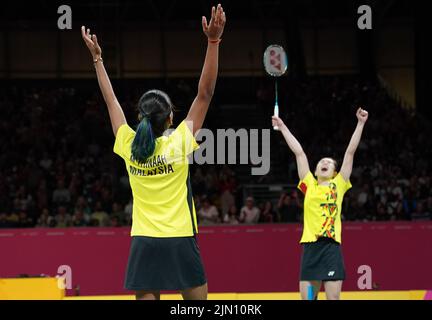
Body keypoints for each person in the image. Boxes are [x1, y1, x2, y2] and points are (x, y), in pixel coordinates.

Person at [81, 4, 226, 300]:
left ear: (140, 118)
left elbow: (111, 104)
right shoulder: (178, 143)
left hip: (144, 240)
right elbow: (205, 93)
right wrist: (213, 42)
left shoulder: (129, 146)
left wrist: (98, 60)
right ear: (171, 119)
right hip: (180, 237)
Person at [272, 107, 368, 300]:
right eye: (321, 162)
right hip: (311, 250)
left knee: (333, 298)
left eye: (329, 162)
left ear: (333, 172)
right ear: (316, 170)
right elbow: (299, 153)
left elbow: (350, 153)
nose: (324, 163)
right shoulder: (309, 185)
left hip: (331, 249)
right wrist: (282, 127)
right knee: (308, 298)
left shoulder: (338, 185)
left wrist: (360, 123)